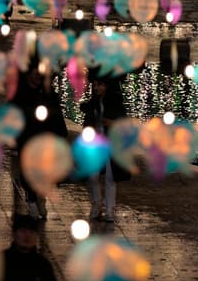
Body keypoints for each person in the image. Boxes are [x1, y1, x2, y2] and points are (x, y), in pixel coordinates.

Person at [11, 66, 68, 219]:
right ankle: (31, 200)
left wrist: (61, 134)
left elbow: (57, 114)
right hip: (26, 137)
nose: (37, 77)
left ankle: (41, 197)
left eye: (39, 74)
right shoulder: (20, 93)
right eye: (34, 73)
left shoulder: (48, 93)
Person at [80, 78, 129, 222]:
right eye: (95, 85)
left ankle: (109, 209)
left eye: (99, 85)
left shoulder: (115, 104)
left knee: (110, 177)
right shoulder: (93, 104)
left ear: (107, 86)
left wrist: (111, 123)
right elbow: (87, 122)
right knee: (93, 175)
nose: (96, 88)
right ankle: (96, 203)